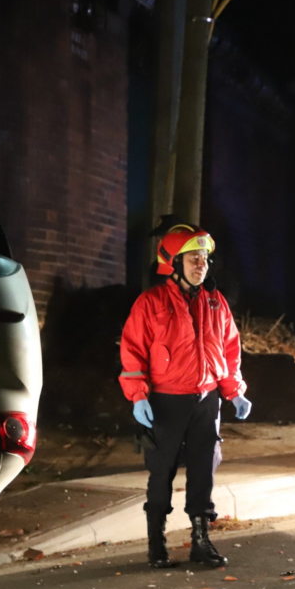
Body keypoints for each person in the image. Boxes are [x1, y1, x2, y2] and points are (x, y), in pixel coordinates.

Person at [119, 218, 253, 569]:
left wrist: (234, 391)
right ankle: (156, 545)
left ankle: (200, 541)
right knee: (161, 471)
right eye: (193, 258)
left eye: (205, 259)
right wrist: (139, 396)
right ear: (174, 263)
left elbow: (229, 351)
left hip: (206, 400)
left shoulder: (216, 303)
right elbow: (133, 351)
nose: (200, 265)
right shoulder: (150, 303)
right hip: (165, 400)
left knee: (203, 471)